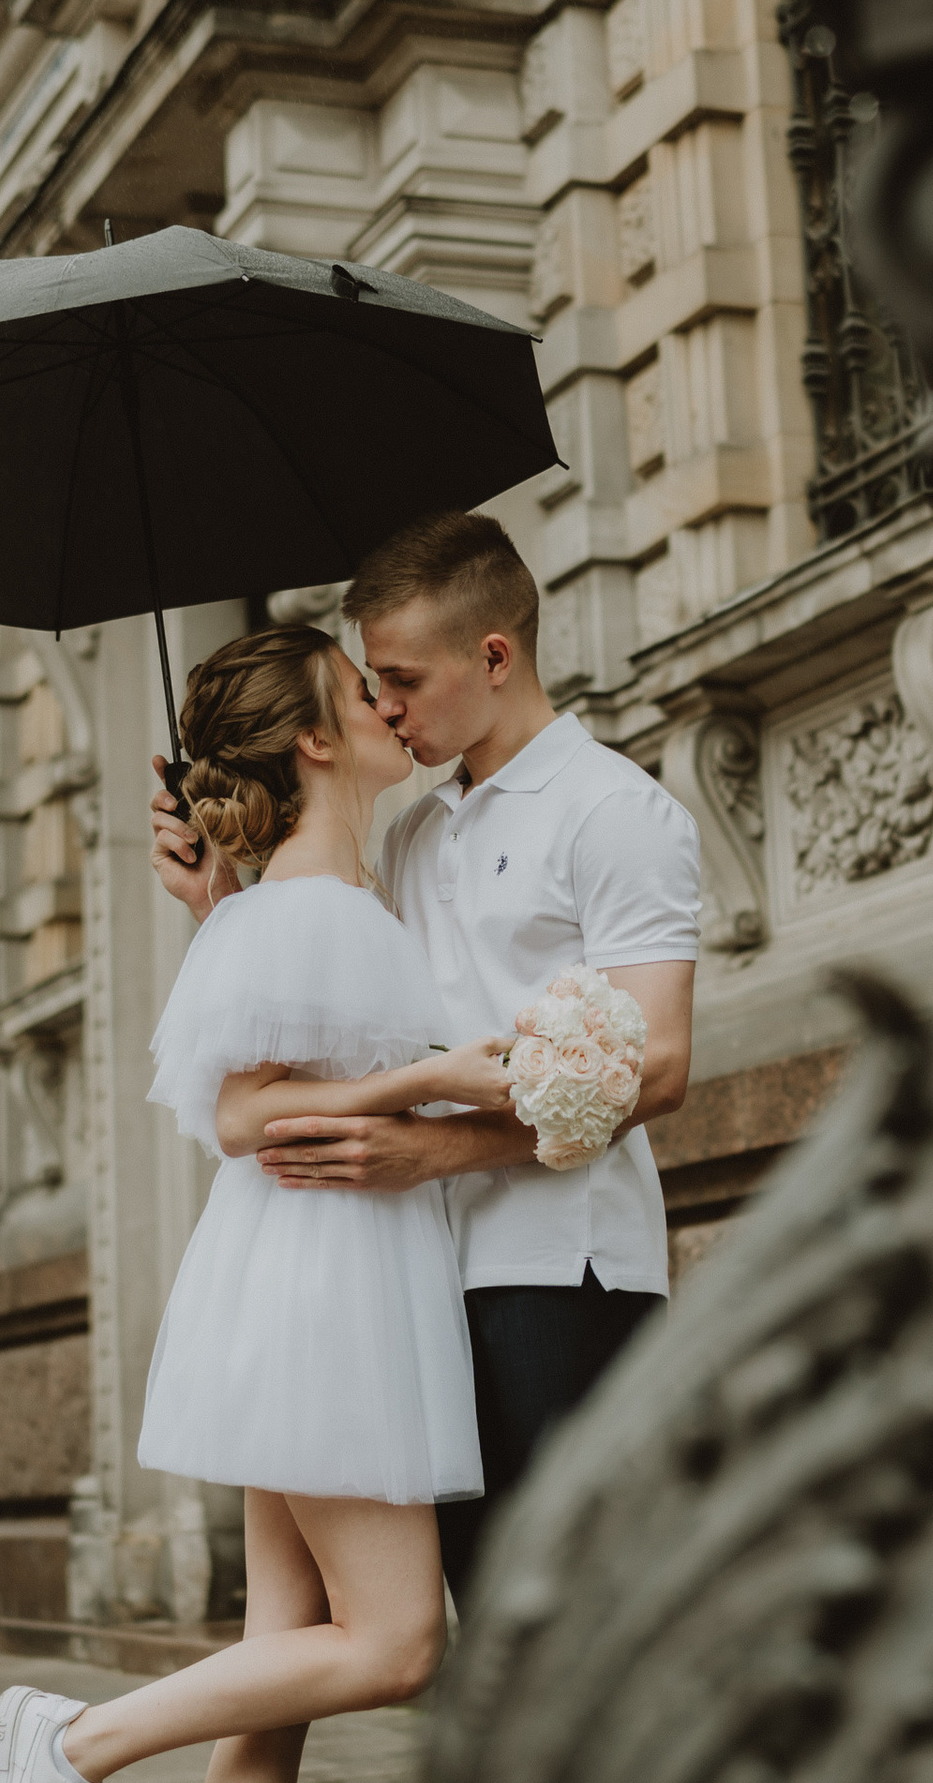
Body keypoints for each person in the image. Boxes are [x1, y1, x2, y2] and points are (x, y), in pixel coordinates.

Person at [0, 619, 516, 1783]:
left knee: (281, 1671)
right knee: (400, 1641)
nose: (393, 705)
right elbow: (241, 1112)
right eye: (366, 692)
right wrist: (437, 1080)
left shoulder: (315, 905)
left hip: (316, 1279)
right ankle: (75, 1742)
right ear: (313, 749)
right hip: (328, 1290)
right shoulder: (314, 916)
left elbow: (268, 1070)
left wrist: (236, 920)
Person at [152, 511, 701, 1599]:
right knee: (468, 1625)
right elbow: (320, 1009)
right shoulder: (408, 833)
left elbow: (659, 1066)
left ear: (493, 656)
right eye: (370, 684)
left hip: (561, 1269)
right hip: (419, 1278)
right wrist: (212, 892)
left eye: (399, 678)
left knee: (560, 1612)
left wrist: (431, 1153)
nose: (386, 706)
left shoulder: (615, 813)